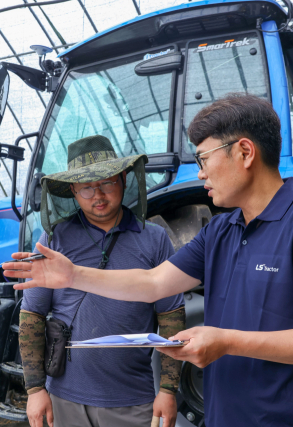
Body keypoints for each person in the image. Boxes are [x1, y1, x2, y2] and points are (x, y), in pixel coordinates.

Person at [5, 94, 293, 427]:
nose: (200, 173)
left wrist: (226, 342)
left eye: (204, 159)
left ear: (244, 152)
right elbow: (154, 284)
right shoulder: (222, 230)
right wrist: (73, 275)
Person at [18, 135, 185, 427]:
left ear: (122, 179)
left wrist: (169, 390)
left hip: (132, 401)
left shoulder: (155, 239)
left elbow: (171, 318)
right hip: (64, 399)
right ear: (72, 191)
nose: (98, 195)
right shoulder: (54, 240)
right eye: (86, 188)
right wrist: (34, 389)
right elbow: (32, 316)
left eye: (107, 183)